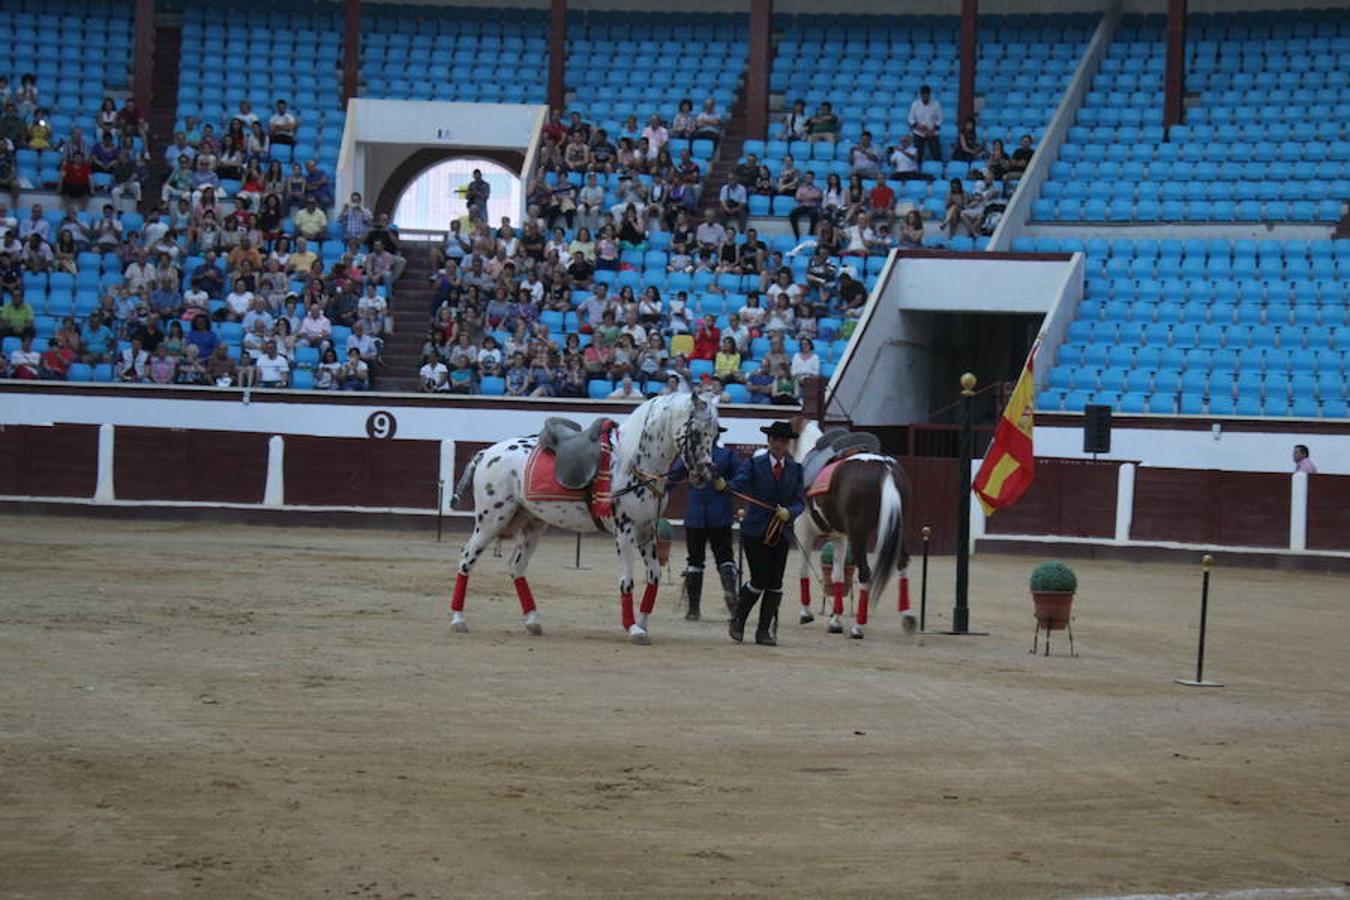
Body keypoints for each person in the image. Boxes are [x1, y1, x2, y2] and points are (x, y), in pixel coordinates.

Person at [728, 421, 805, 646]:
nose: (778, 444)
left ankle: (763, 631)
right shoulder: (754, 464)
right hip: (755, 531)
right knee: (760, 579)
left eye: (782, 441)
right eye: (774, 440)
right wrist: (725, 485)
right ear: (768, 441)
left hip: (781, 531)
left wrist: (789, 513)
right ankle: (739, 620)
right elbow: (738, 485)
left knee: (775, 583)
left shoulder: (796, 470)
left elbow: (800, 502)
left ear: (788, 444)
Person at [668, 426, 741, 621]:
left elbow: (672, 478)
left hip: (696, 515)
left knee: (695, 561)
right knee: (724, 558)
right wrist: (728, 485)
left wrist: (658, 486)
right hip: (719, 515)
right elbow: (741, 479)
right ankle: (731, 598)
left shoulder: (690, 456)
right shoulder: (727, 455)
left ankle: (693, 609)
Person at [908, 84, 943, 165]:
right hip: (919, 132)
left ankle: (939, 168)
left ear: (929, 94)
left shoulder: (936, 104)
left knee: (937, 154)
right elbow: (910, 119)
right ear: (920, 95)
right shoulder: (915, 104)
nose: (925, 97)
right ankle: (917, 169)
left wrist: (932, 130)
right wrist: (919, 127)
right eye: (923, 95)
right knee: (918, 153)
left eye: (926, 95)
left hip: (932, 132)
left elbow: (940, 119)